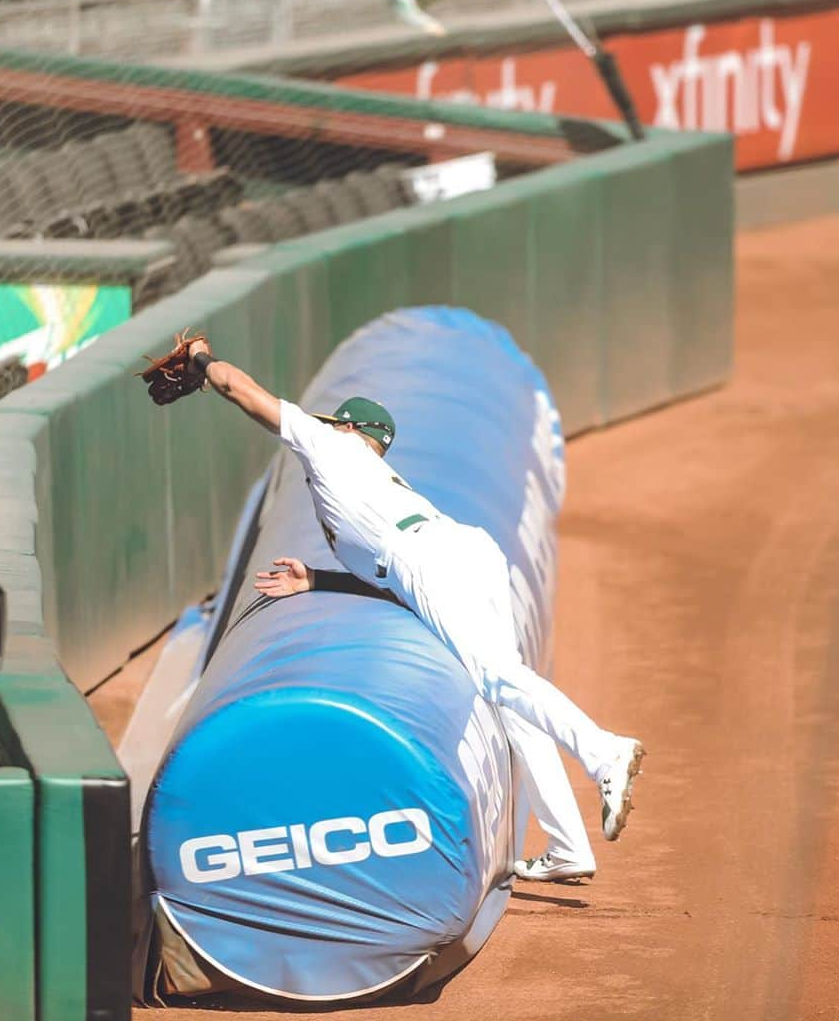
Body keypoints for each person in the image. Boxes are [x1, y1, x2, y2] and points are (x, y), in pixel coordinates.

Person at [186, 338, 645, 882]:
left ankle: (603, 751)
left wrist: (200, 357)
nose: (328, 425)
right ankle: (569, 846)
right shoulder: (367, 480)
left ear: (349, 429)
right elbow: (392, 584)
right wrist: (317, 579)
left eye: (336, 422)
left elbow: (239, 389)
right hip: (458, 551)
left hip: (428, 557)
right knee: (509, 695)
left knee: (499, 680)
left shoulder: (331, 446)